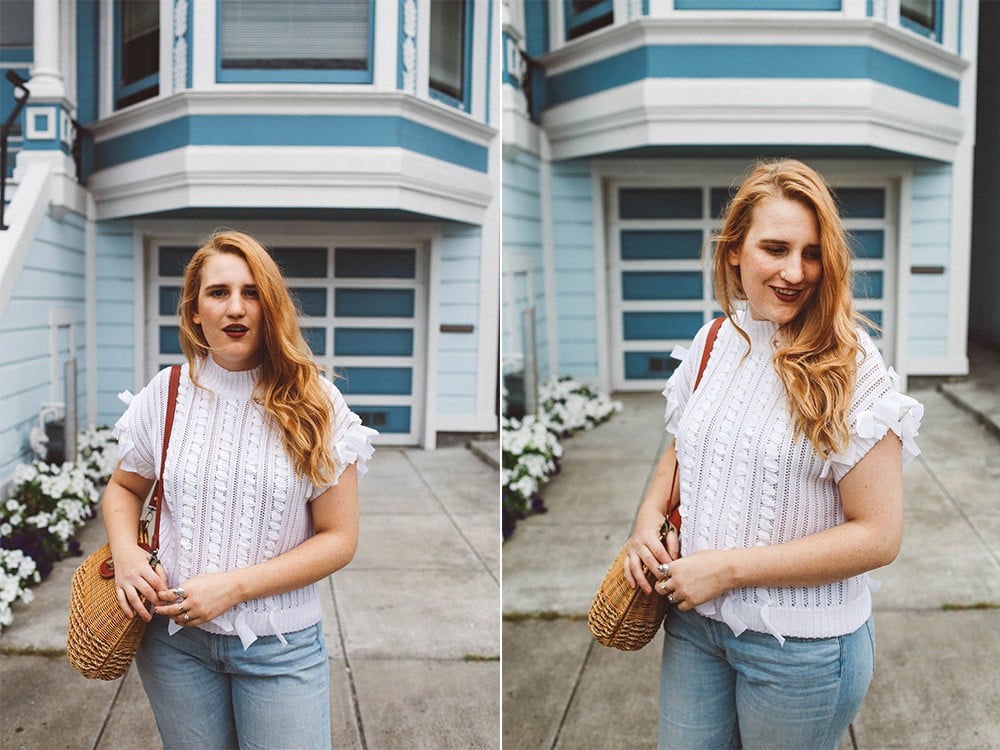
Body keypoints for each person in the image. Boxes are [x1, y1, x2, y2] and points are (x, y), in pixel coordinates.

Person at [624, 160, 923, 750]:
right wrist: (644, 526)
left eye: (812, 253)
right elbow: (684, 451)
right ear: (734, 250)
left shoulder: (850, 364)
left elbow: (879, 536)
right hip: (694, 626)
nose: (795, 272)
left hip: (802, 651)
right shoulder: (715, 340)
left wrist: (727, 568)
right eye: (775, 248)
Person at [102, 230, 376, 749]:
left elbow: (339, 538)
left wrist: (236, 587)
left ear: (271, 306)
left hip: (281, 646)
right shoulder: (166, 392)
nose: (236, 308)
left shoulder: (317, 403)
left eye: (251, 292)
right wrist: (126, 554)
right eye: (218, 292)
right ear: (194, 309)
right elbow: (123, 488)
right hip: (173, 644)